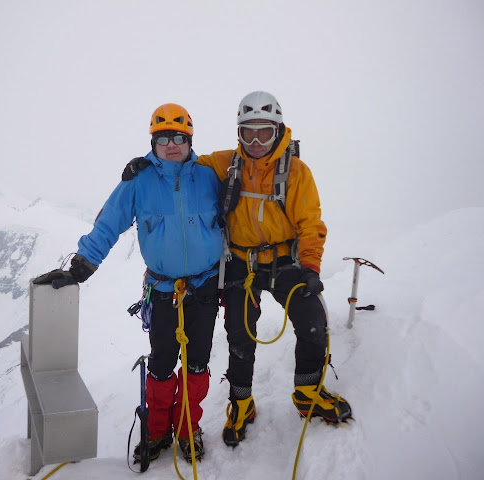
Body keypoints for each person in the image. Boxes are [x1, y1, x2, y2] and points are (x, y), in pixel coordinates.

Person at [122, 92, 352, 448]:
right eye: (248, 133)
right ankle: (241, 402)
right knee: (239, 332)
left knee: (312, 321)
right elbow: (185, 166)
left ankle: (308, 391)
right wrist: (148, 164)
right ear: (239, 134)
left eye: (264, 132)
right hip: (241, 262)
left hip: (285, 262)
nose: (256, 142)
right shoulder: (225, 164)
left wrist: (310, 266)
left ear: (278, 131)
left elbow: (310, 223)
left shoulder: (296, 172)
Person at [34, 103, 222, 463]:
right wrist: (81, 266)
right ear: (152, 142)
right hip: (164, 291)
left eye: (178, 137)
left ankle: (187, 428)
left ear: (190, 140)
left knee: (197, 364)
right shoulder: (139, 181)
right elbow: (110, 223)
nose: (171, 145)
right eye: (163, 137)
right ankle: (156, 433)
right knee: (163, 364)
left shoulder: (209, 176)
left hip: (205, 288)